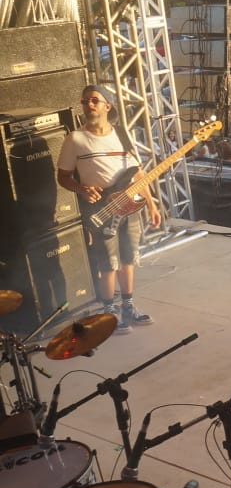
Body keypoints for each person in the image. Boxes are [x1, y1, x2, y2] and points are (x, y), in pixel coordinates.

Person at [56, 84, 161, 333]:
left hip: (130, 208)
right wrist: (81, 189)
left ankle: (128, 305)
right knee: (108, 262)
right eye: (84, 101)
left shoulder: (122, 134)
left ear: (107, 105)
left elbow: (138, 174)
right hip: (100, 209)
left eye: (94, 100)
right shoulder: (75, 139)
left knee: (128, 258)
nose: (88, 105)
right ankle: (109, 310)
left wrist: (153, 206)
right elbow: (62, 176)